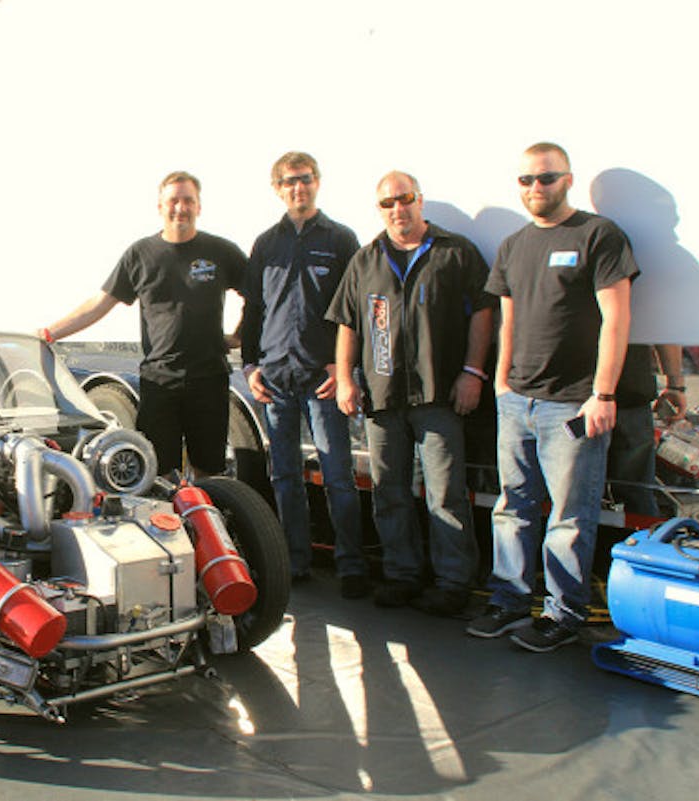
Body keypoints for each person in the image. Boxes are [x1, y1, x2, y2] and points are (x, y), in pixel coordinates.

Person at [467, 142, 639, 652]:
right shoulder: (513, 246)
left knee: (569, 517)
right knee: (512, 507)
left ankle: (563, 615)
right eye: (526, 180)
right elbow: (508, 320)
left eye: (546, 178)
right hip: (517, 401)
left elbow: (616, 319)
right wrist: (502, 383)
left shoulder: (599, 236)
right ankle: (509, 601)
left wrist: (602, 394)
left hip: (572, 403)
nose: (535, 188)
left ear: (568, 180)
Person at [328, 171, 494, 614]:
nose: (397, 209)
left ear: (420, 200)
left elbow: (484, 313)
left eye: (404, 199)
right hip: (382, 399)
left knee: (445, 494)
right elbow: (347, 324)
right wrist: (345, 379)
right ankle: (402, 574)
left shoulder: (455, 253)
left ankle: (453, 582)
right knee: (389, 492)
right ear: (379, 209)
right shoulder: (365, 260)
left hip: (438, 395)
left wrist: (473, 372)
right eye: (387, 203)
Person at [42, 171, 247, 477]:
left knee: (210, 472)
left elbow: (258, 296)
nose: (181, 208)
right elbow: (100, 303)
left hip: (209, 379)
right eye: (173, 201)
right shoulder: (140, 255)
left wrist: (241, 335)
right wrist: (50, 333)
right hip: (159, 383)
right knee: (159, 474)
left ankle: (205, 508)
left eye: (188, 200)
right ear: (160, 207)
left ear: (199, 206)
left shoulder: (221, 252)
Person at [238, 151, 366, 590]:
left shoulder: (341, 239)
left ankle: (351, 566)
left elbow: (355, 309)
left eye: (306, 179)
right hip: (276, 376)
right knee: (285, 477)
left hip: (322, 378)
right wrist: (250, 366)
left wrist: (345, 368)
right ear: (278, 188)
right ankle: (295, 562)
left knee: (338, 477)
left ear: (318, 182)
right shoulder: (265, 244)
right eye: (290, 181)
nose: (299, 187)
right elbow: (253, 310)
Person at [608, 344, 686, 516]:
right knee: (635, 493)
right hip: (626, 395)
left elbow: (666, 333)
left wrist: (675, 385)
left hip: (625, 397)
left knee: (571, 498)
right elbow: (666, 333)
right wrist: (675, 385)